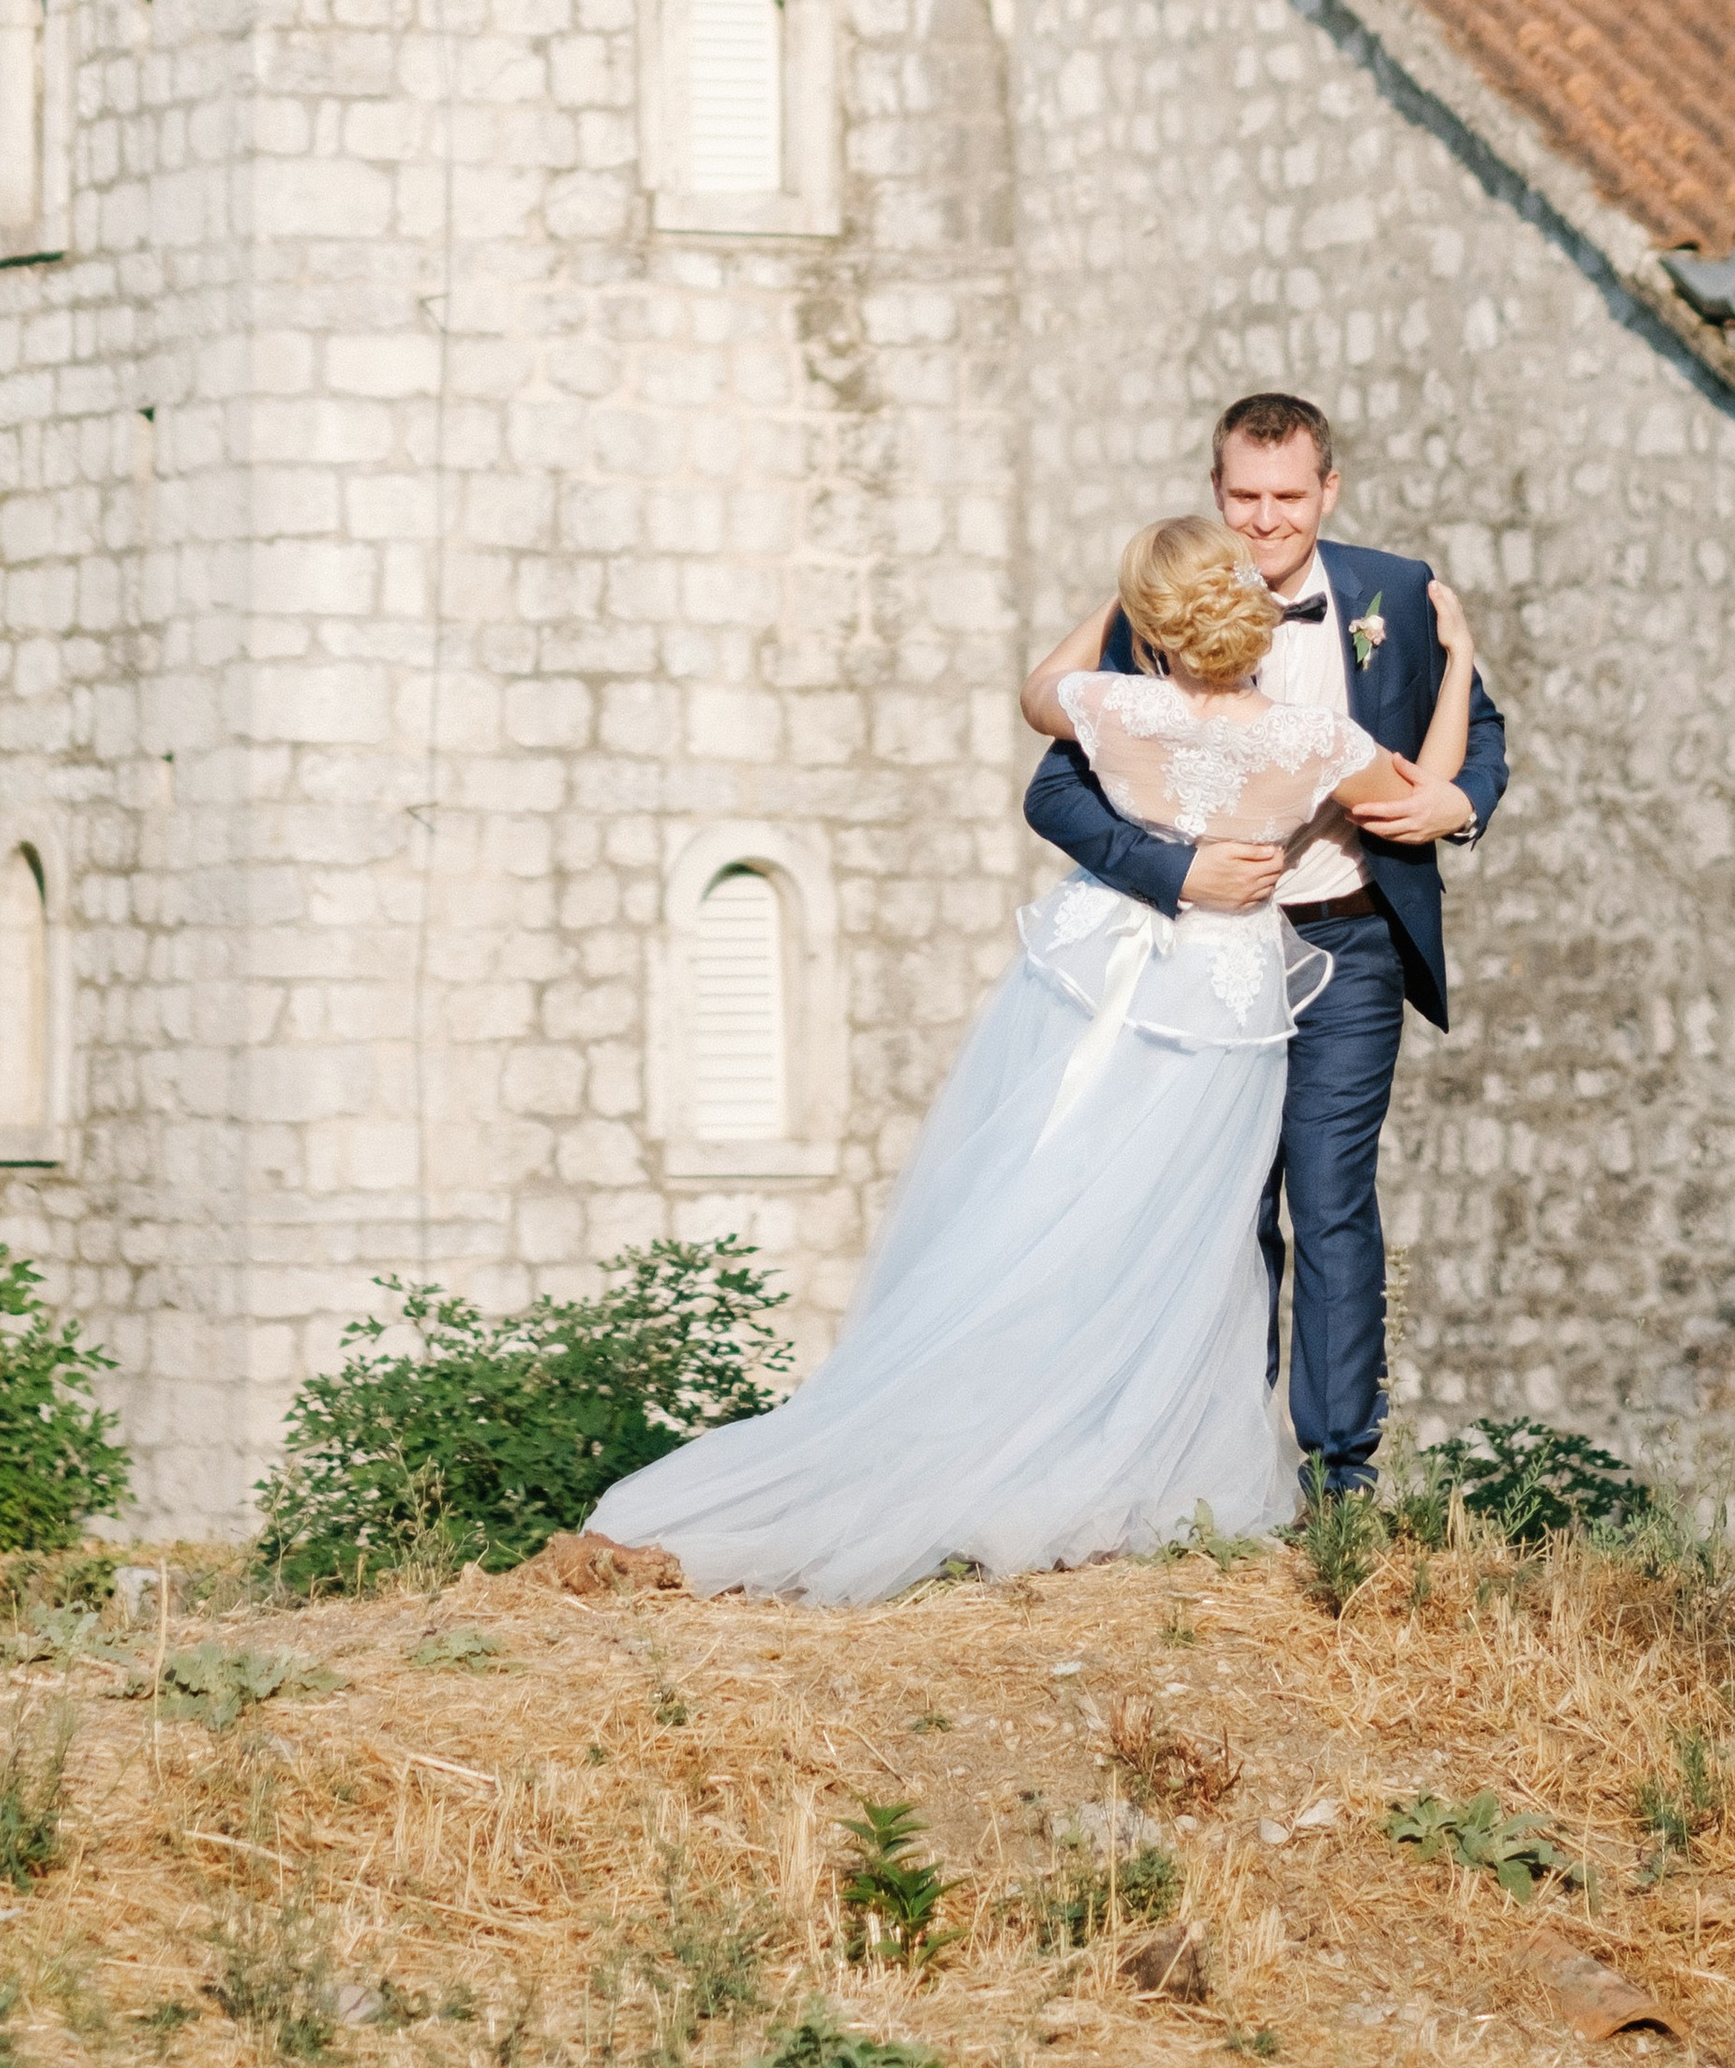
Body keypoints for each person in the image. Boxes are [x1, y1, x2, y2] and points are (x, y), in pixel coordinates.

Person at [587, 514, 1478, 1602]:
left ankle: (1015, 1439)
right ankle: (1141, 1463)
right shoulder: (1313, 744)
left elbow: (1038, 686)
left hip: (1097, 977)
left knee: (1054, 1200)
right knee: (1188, 1236)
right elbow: (1421, 803)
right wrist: (1459, 659)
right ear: (1242, 613)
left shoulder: (1118, 704)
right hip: (1226, 998)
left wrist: (1125, 600)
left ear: (1153, 625)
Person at [1023, 389, 1508, 1503]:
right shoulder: (1156, 603)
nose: (1265, 518)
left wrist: (1458, 807)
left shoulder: (1391, 591)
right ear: (1214, 491)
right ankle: (1219, 1462)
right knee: (1220, 1200)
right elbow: (1055, 786)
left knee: (1330, 1198)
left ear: (1327, 492)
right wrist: (1173, 870)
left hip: (1348, 946)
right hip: (1205, 948)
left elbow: (1475, 733)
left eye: (1288, 496)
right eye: (1243, 495)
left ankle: (1341, 1470)